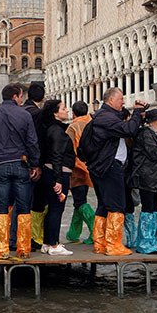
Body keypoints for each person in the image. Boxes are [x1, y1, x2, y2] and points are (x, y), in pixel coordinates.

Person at [0, 83, 41, 259]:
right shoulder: (25, 115)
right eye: (20, 96)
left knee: (2, 206)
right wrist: (34, 165)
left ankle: (2, 249)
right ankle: (23, 247)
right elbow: (32, 142)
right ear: (14, 96)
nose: (21, 99)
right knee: (24, 206)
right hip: (20, 164)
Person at [85, 88, 146, 256]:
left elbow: (123, 121)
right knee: (117, 205)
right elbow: (128, 130)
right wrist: (137, 112)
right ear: (110, 100)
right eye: (120, 99)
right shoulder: (105, 117)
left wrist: (138, 114)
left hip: (103, 166)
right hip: (109, 166)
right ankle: (113, 244)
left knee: (104, 205)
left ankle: (100, 242)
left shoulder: (103, 115)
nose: (123, 102)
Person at [129, 109, 157, 254]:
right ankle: (144, 243)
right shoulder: (145, 134)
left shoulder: (156, 135)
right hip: (147, 179)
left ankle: (151, 241)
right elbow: (154, 153)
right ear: (150, 121)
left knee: (154, 209)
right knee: (148, 210)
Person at [38, 99, 75, 256]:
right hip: (58, 173)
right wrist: (58, 179)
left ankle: (48, 242)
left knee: (52, 208)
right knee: (56, 208)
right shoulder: (57, 130)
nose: (67, 110)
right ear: (55, 113)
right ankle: (53, 244)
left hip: (50, 172)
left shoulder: (51, 129)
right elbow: (56, 155)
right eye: (64, 108)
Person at [65, 101, 95, 245]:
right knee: (80, 200)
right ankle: (73, 233)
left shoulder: (73, 127)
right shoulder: (93, 124)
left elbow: (68, 150)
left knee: (80, 200)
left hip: (77, 168)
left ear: (74, 113)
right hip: (92, 166)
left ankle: (95, 230)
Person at [24, 83, 47, 251]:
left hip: (16, 161)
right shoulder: (37, 114)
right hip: (32, 164)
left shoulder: (20, 112)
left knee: (20, 201)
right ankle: (34, 238)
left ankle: (18, 238)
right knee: (36, 200)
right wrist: (36, 164)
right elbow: (36, 141)